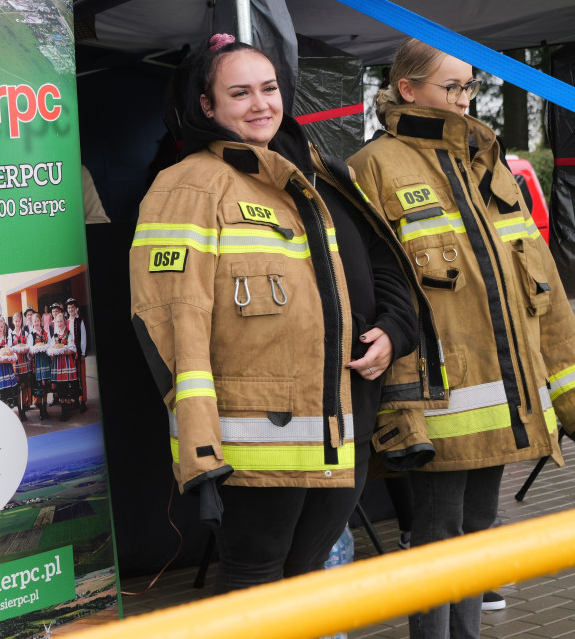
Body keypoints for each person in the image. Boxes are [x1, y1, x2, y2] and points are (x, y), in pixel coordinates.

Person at [129, 33, 443, 593]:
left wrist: (395, 333)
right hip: (254, 440)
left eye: (269, 89)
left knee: (305, 581)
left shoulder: (315, 172)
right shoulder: (188, 186)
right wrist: (201, 451)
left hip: (344, 421)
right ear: (208, 106)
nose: (261, 105)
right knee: (257, 584)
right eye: (240, 93)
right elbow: (173, 319)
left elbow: (385, 264)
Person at [348, 38, 575, 638]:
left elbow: (539, 278)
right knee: (437, 540)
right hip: (439, 400)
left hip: (504, 399)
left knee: (479, 536)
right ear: (407, 89)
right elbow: (374, 294)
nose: (465, 100)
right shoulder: (374, 166)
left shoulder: (487, 163)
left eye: (469, 86)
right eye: (452, 88)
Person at [48, 308, 81, 422]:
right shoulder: (55, 335)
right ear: (55, 323)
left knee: (67, 387)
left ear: (64, 322)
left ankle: (67, 412)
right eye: (58, 322)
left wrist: (62, 351)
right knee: (61, 388)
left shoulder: (69, 334)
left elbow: (72, 349)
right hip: (58, 365)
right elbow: (51, 349)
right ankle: (63, 412)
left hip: (67, 364)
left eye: (61, 321)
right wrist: (53, 353)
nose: (60, 323)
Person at [0, 314, 21, 416]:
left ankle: (12, 414)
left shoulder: (7, 340)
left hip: (7, 368)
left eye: (1, 326)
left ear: (4, 327)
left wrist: (9, 358)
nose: (0, 328)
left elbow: (11, 354)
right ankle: (1, 416)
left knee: (9, 394)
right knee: (0, 395)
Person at [28, 312, 53, 420]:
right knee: (39, 387)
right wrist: (35, 350)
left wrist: (46, 348)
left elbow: (50, 345)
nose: (37, 323)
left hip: (45, 361)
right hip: (37, 363)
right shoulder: (31, 335)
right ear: (32, 323)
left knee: (46, 386)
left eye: (38, 321)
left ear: (40, 321)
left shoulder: (45, 332)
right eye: (35, 321)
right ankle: (41, 411)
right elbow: (29, 351)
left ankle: (45, 408)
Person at [66, 297, 88, 412]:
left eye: (72, 307)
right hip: (70, 355)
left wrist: (83, 353)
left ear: (76, 308)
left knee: (81, 378)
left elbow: (83, 337)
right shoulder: (66, 322)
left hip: (78, 354)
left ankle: (83, 401)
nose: (71, 309)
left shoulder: (80, 321)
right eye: (69, 308)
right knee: (73, 379)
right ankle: (75, 401)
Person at [10, 311, 32, 419]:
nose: (18, 323)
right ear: (13, 322)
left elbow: (28, 346)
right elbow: (10, 349)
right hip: (16, 364)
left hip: (25, 363)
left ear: (21, 321)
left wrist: (26, 350)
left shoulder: (25, 333)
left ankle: (24, 409)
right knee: (18, 388)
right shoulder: (11, 335)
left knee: (24, 387)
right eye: (16, 321)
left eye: (19, 321)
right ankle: (20, 410)